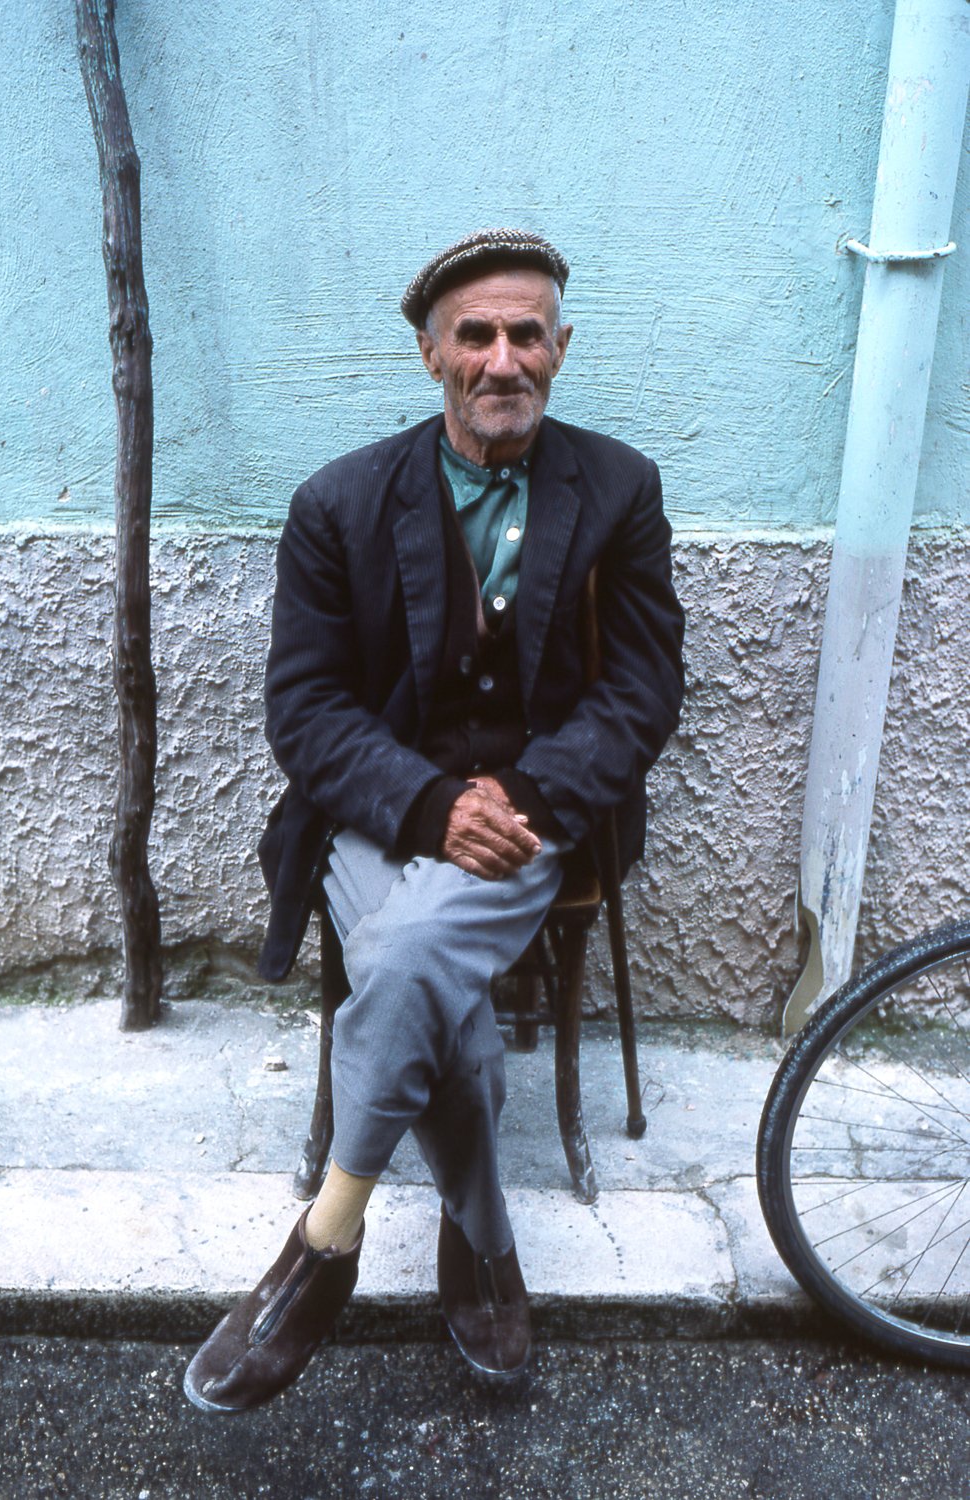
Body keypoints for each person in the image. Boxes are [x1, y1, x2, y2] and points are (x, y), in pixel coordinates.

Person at [184, 227, 685, 1413]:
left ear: (561, 349)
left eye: (526, 334)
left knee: (407, 957)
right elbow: (304, 708)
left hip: (534, 819)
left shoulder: (618, 488)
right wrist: (423, 802)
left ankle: (327, 1237)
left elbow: (642, 686)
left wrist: (523, 797)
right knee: (430, 978)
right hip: (375, 816)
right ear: (430, 355)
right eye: (477, 335)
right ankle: (483, 1244)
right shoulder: (340, 502)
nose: (502, 358)